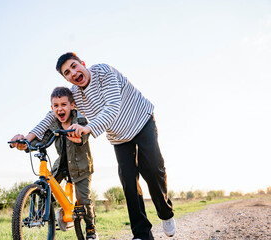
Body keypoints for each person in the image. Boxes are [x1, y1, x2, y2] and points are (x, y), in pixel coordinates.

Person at [31, 52, 175, 240]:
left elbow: (113, 107)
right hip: (119, 137)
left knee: (153, 171)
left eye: (74, 66)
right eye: (67, 72)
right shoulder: (74, 94)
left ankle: (165, 213)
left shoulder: (104, 72)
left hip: (141, 121)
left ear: (83, 63)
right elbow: (52, 115)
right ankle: (142, 234)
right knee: (129, 182)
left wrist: (87, 128)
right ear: (66, 78)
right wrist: (30, 135)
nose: (73, 73)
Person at [10, 86, 98, 240]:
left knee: (84, 199)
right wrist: (23, 144)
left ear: (72, 105)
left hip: (81, 166)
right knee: (47, 185)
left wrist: (77, 135)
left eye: (64, 104)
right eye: (56, 106)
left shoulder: (80, 118)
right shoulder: (53, 124)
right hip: (62, 164)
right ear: (52, 108)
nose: (60, 109)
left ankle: (91, 228)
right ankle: (41, 214)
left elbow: (83, 136)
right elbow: (40, 140)